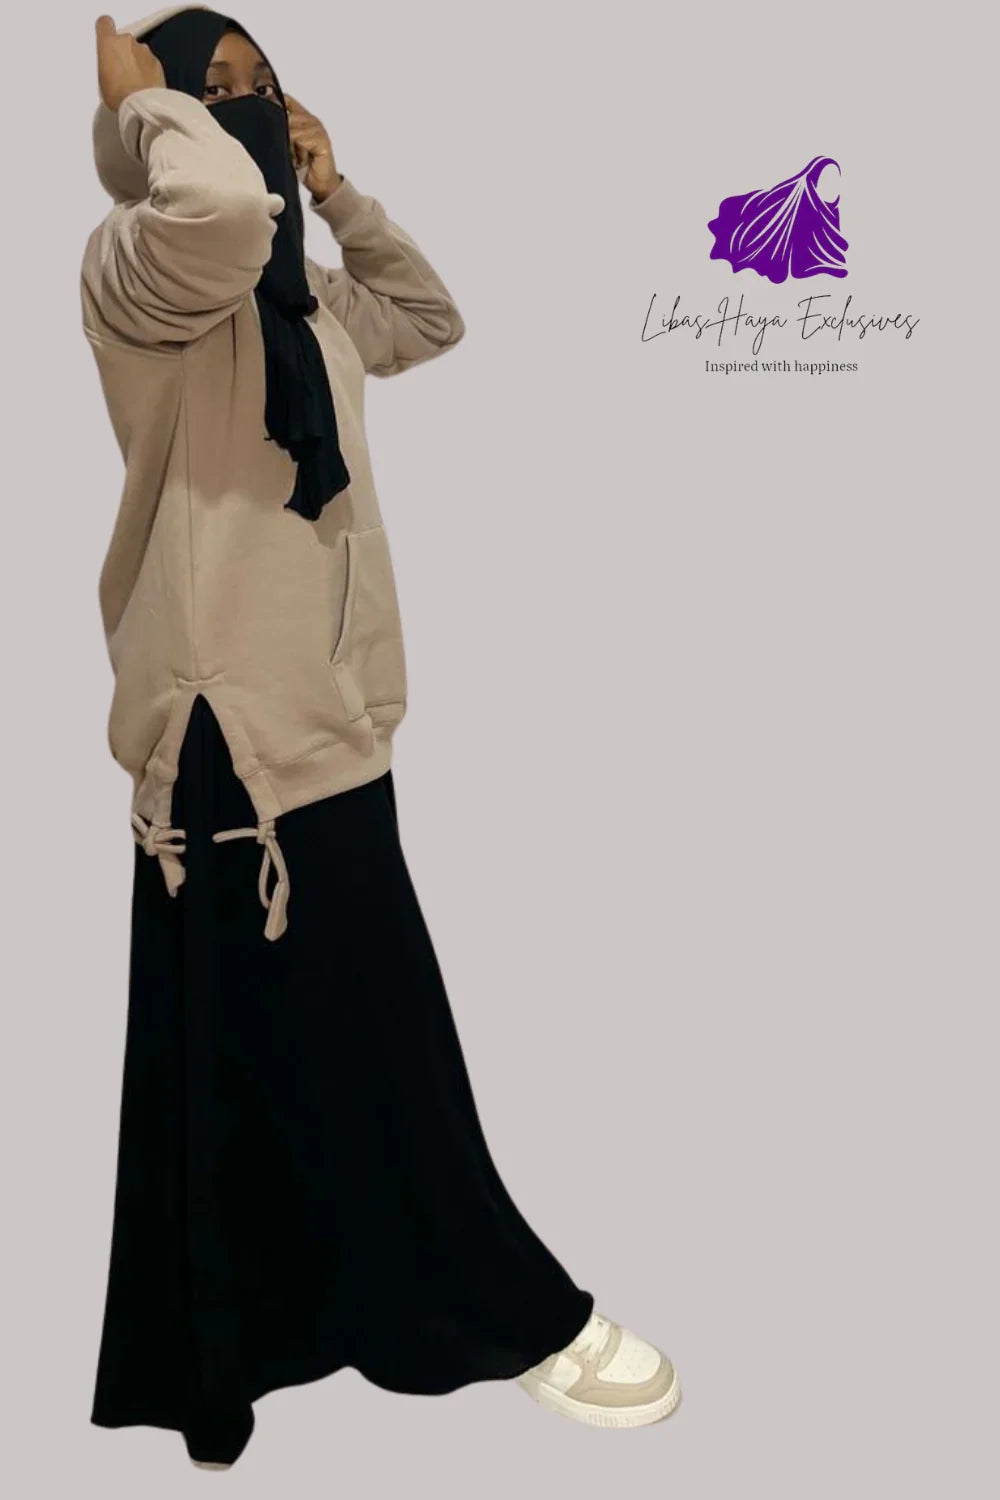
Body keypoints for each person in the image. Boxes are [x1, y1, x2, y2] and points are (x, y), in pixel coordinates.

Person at [83, 4, 681, 1468]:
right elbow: (216, 211)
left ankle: (286, 1333)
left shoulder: (302, 291)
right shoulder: (144, 272)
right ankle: (502, 1310)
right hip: (227, 730)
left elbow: (429, 321)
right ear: (154, 126)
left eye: (260, 81)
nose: (243, 105)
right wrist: (134, 110)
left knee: (311, 1036)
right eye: (207, 86)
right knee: (357, 1036)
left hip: (330, 712)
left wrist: (339, 192)